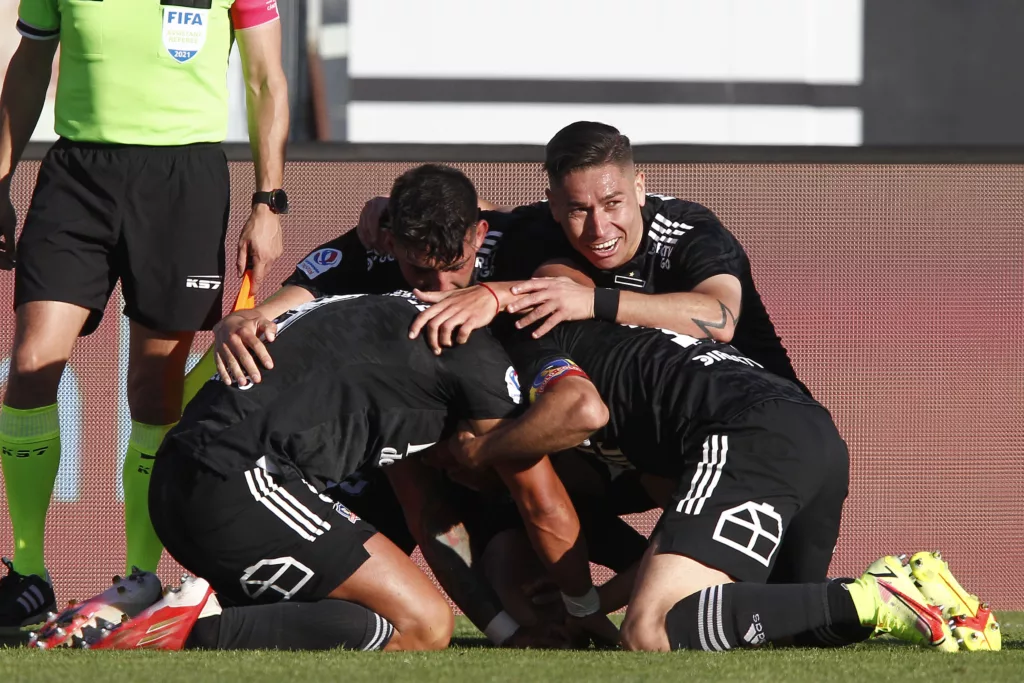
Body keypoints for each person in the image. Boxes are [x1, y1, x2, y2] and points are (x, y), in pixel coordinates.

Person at [209, 163, 650, 644]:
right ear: (393, 242)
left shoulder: (517, 237)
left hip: (523, 451)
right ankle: (208, 611)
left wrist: (491, 296)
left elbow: (580, 287)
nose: (437, 294)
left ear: (480, 235)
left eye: (455, 269)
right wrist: (240, 321)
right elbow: (275, 311)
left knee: (625, 562)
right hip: (405, 465)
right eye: (419, 271)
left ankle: (668, 567)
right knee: (522, 619)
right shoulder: (367, 248)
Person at [444, 264, 971, 653]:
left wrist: (481, 449)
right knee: (781, 630)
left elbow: (581, 409)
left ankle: (877, 595)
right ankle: (923, 592)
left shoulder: (531, 342)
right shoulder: (629, 358)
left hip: (746, 431)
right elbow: (669, 537)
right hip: (810, 429)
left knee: (650, 631)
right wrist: (593, 603)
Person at [47, 291, 612, 651]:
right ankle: (182, 628)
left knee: (374, 623)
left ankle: (150, 609)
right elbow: (540, 501)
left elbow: (431, 520)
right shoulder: (474, 361)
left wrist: (505, 634)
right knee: (425, 625)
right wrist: (582, 611)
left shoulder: (390, 336)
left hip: (184, 481)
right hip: (237, 479)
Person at [0, 0, 289, 635]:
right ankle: (28, 575)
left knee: (154, 391)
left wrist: (268, 201)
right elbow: (28, 65)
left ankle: (138, 577)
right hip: (78, 174)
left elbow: (267, 79)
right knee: (29, 365)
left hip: (185, 181)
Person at [399, 121, 810, 396]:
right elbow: (478, 217)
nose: (599, 229)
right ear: (554, 206)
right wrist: (387, 210)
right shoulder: (544, 225)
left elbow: (719, 318)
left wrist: (592, 301)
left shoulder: (688, 229)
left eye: (613, 203)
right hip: (656, 417)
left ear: (639, 187)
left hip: (767, 407)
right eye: (579, 209)